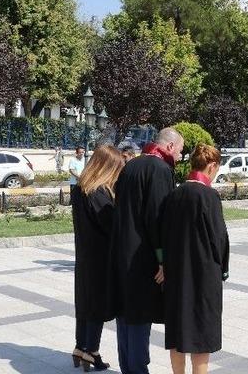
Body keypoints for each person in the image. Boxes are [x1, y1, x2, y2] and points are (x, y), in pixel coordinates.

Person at [112, 128, 184, 374]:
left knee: (125, 314)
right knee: (140, 315)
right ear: (171, 147)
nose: (180, 157)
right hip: (143, 256)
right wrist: (163, 259)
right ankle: (138, 369)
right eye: (181, 151)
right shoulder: (160, 169)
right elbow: (158, 217)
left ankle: (128, 368)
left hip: (122, 250)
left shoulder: (131, 165)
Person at [161, 144, 229, 374]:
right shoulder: (209, 196)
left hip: (177, 273)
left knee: (178, 333)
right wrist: (224, 268)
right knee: (201, 337)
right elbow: (219, 238)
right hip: (203, 275)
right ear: (212, 166)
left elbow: (164, 233)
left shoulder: (174, 194)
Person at [71, 145, 125, 371]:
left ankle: (80, 347)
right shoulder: (99, 193)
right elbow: (111, 225)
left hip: (84, 255)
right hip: (101, 258)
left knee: (84, 303)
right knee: (97, 307)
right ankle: (92, 351)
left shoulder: (81, 189)